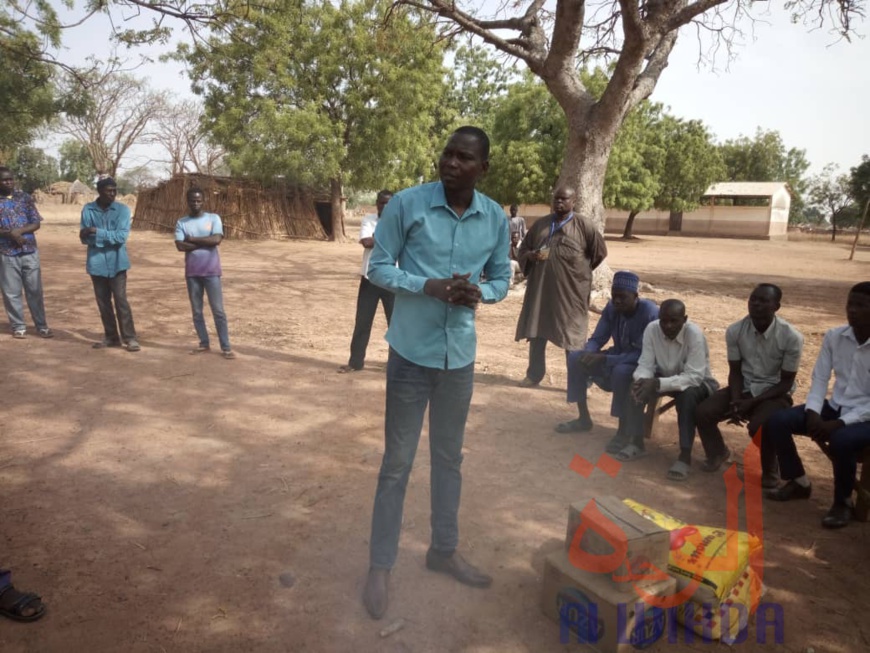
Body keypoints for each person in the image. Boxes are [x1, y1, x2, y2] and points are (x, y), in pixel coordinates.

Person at [361, 126, 511, 620]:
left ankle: (442, 551)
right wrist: (427, 286)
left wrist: (479, 294)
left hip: (458, 361)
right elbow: (378, 267)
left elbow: (501, 278)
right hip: (410, 355)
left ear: (482, 168)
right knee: (397, 465)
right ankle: (380, 566)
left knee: (449, 460)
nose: (451, 163)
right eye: (447, 154)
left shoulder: (493, 217)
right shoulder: (408, 204)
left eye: (464, 158)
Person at [765, 282, 870, 529]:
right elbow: (820, 378)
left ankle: (842, 502)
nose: (852, 310)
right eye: (850, 304)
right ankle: (798, 481)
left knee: (841, 440)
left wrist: (841, 422)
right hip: (836, 405)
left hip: (864, 416)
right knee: (778, 421)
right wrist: (813, 411)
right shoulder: (835, 336)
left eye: (861, 306)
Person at [695, 284, 803, 482]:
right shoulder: (735, 330)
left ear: (776, 307)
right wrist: (736, 400)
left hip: (774, 393)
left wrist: (752, 402)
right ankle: (717, 452)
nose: (756, 304)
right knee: (703, 412)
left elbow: (786, 382)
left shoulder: (791, 337)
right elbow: (735, 371)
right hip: (743, 388)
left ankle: (770, 471)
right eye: (753, 299)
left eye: (763, 301)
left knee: (760, 426)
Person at [559, 271, 658, 462]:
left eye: (623, 297)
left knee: (622, 372)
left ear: (636, 297)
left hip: (642, 363)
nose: (617, 301)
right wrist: (589, 352)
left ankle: (622, 432)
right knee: (575, 358)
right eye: (615, 296)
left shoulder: (649, 312)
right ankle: (583, 419)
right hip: (618, 355)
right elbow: (598, 338)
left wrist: (604, 360)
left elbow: (644, 354)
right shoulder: (612, 308)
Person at [514, 186, 607, 387]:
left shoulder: (584, 226)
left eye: (563, 199)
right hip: (541, 292)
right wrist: (531, 256)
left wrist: (577, 272)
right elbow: (523, 250)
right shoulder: (541, 225)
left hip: (571, 294)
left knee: (572, 338)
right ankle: (534, 375)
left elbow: (599, 253)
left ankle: (579, 382)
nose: (558, 203)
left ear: (574, 201)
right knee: (537, 332)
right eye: (556, 199)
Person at [631, 299, 719, 481]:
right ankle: (636, 442)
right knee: (635, 386)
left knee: (686, 398)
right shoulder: (652, 329)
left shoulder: (694, 334)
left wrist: (656, 383)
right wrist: (642, 380)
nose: (668, 326)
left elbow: (694, 376)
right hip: (664, 377)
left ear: (684, 319)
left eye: (674, 321)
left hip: (698, 384)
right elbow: (645, 363)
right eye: (664, 320)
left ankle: (684, 456)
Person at [80, 177, 140, 352]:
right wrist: (104, 236)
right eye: (109, 190)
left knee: (121, 301)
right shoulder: (88, 209)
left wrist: (95, 231)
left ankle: (130, 338)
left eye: (115, 190)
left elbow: (121, 237)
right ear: (99, 191)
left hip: (117, 263)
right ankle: (111, 337)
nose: (113, 193)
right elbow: (84, 239)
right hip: (96, 264)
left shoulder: (122, 210)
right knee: (103, 302)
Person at [338, 190, 394, 373]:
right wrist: (389, 237)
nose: (384, 207)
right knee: (363, 321)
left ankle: (397, 364)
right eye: (382, 203)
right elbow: (366, 242)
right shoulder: (369, 220)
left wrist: (380, 237)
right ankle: (355, 362)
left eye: (388, 203)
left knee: (395, 324)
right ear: (376, 203)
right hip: (370, 279)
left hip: (393, 279)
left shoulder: (399, 222)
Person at [175, 187, 235, 359]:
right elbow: (180, 246)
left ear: (203, 201)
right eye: (192, 200)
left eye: (198, 200)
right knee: (196, 311)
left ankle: (226, 347)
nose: (195, 203)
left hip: (211, 272)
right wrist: (206, 242)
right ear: (187, 202)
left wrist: (192, 239)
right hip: (192, 273)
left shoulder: (213, 218)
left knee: (218, 311)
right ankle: (204, 343)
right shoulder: (182, 222)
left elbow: (216, 240)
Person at [0, 167, 52, 339]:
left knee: (35, 290)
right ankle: (18, 326)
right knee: (11, 291)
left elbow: (36, 222)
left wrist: (19, 232)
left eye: (10, 179)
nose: (8, 182)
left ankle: (41, 325)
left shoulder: (24, 197)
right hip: (7, 252)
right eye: (4, 180)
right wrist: (10, 234)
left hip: (29, 251)